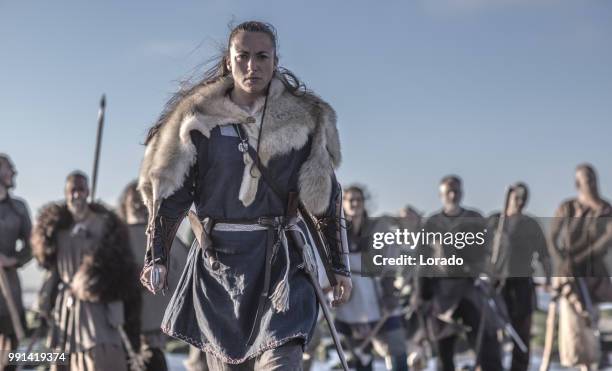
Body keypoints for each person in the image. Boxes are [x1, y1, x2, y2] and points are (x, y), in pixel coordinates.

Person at [137, 21, 352, 370]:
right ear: (229, 61)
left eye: (262, 57)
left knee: (283, 362)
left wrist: (338, 266)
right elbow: (172, 193)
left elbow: (323, 195)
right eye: (243, 56)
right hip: (219, 269)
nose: (252, 66)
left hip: (280, 265)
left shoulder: (302, 120)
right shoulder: (198, 122)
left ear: (275, 61)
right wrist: (156, 254)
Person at [31, 171, 141, 371]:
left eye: (81, 189)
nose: (77, 195)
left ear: (88, 191)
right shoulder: (59, 228)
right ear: (66, 193)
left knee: (100, 357)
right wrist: (44, 301)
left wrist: (89, 280)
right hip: (66, 307)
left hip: (97, 304)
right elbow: (54, 272)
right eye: (72, 190)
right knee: (63, 356)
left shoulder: (104, 224)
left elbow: (117, 266)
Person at [419, 175, 502, 371]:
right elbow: (421, 259)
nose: (453, 195)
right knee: (444, 352)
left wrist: (489, 274)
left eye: (456, 190)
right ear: (441, 194)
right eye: (448, 191)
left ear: (462, 192)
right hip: (443, 295)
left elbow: (488, 252)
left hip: (471, 289)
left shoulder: (475, 219)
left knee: (486, 345)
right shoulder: (432, 223)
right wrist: (422, 293)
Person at [333, 185, 408, 371]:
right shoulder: (335, 231)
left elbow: (390, 262)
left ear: (364, 202)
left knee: (397, 346)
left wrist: (390, 293)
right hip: (350, 299)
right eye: (350, 199)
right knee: (360, 355)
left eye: (358, 199)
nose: (354, 203)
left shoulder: (378, 228)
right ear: (343, 203)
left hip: (379, 295)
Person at [118, 180, 189, 371]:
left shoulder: (163, 238)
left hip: (154, 332)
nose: (138, 204)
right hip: (124, 329)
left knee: (154, 360)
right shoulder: (115, 240)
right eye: (134, 200)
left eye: (142, 199)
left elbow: (179, 274)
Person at [549, 164, 612, 370]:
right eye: (587, 180)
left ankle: (593, 362)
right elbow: (551, 238)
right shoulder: (566, 208)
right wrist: (562, 262)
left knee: (590, 320)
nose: (591, 184)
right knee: (572, 324)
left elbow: (605, 241)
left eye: (593, 179)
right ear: (578, 183)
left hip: (592, 275)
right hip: (568, 275)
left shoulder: (605, 209)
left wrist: (578, 261)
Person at [487, 182, 551, 371]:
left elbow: (544, 256)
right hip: (497, 285)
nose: (521, 202)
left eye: (524, 198)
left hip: (522, 285)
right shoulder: (494, 222)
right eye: (517, 197)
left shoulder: (531, 225)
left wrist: (548, 279)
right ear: (509, 198)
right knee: (494, 331)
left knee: (521, 332)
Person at [0, 154, 32, 370]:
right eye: (8, 168)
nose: (14, 172)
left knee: (9, 348)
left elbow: (32, 246)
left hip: (8, 285)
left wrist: (12, 260)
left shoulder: (19, 207)